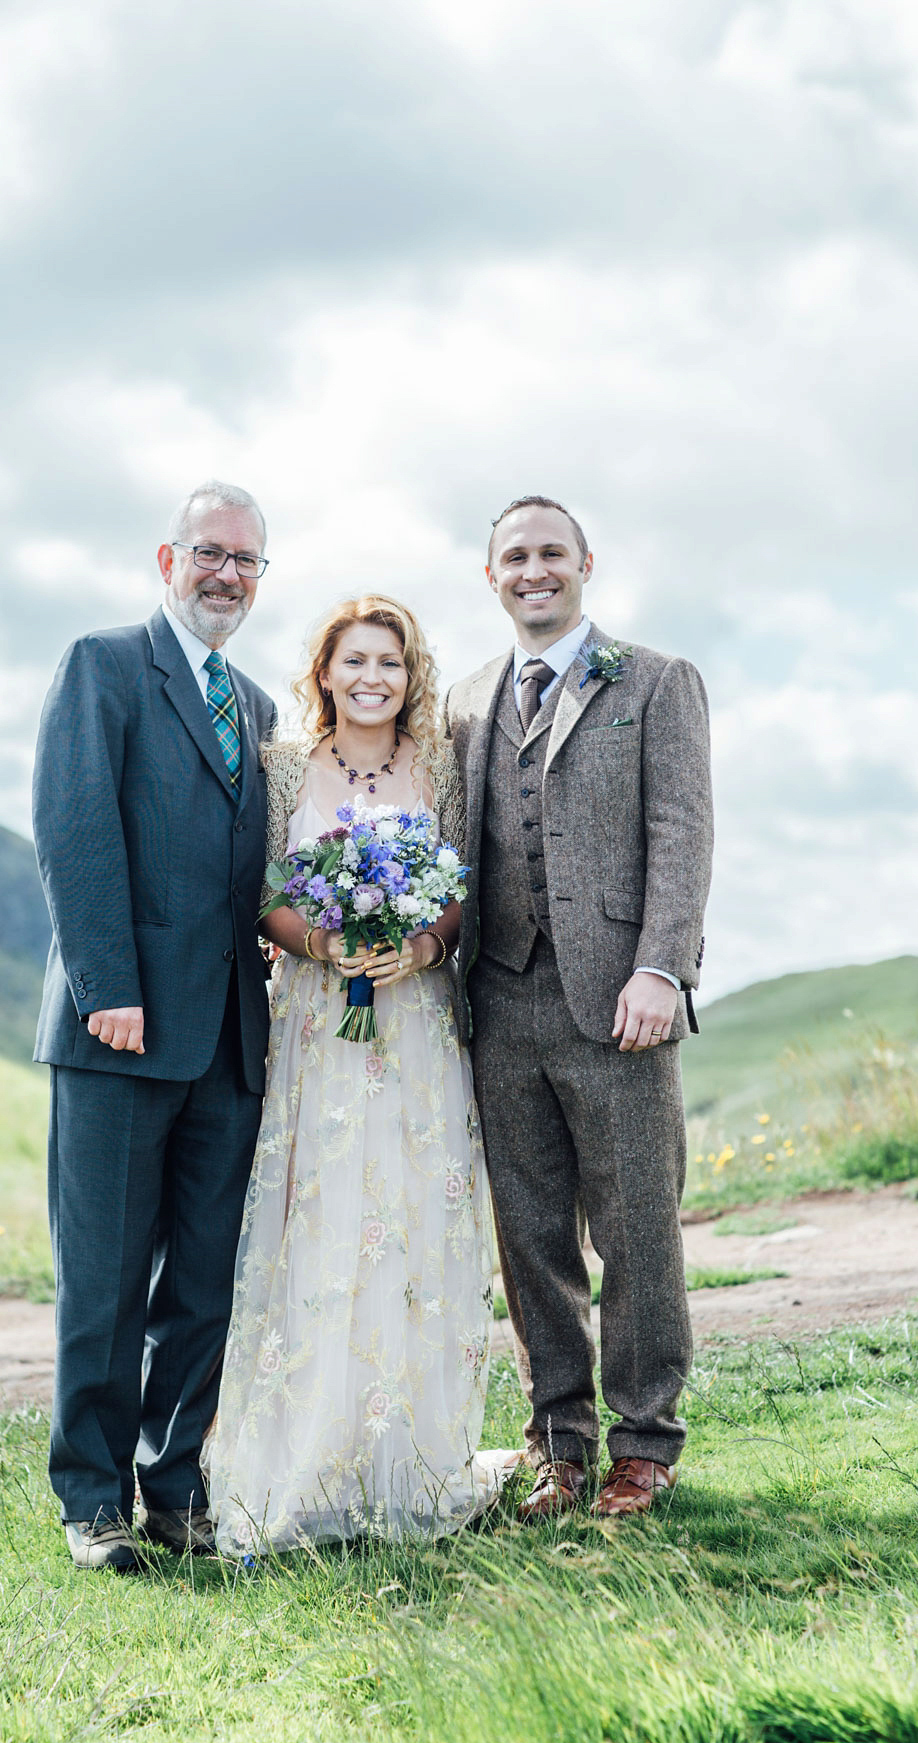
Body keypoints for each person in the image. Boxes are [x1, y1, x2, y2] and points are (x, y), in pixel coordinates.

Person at [204, 595, 514, 1555]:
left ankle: (412, 1460)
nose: (372, 678)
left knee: (411, 1220)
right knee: (322, 1215)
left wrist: (420, 947)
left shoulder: (442, 767)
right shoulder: (284, 764)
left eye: (390, 662)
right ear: (325, 673)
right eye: (354, 662)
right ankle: (309, 1456)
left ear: (409, 674)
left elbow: (462, 886)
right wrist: (326, 942)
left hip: (416, 1029)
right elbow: (262, 896)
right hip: (315, 1028)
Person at [445, 496, 713, 1521]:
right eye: (514, 556)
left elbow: (685, 836)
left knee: (638, 1231)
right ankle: (558, 1442)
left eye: (551, 552)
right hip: (499, 1002)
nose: (534, 570)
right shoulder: (467, 700)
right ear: (492, 576)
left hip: (619, 1004)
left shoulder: (655, 682)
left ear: (586, 563)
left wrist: (663, 968)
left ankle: (645, 1445)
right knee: (531, 1241)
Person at [33, 480, 277, 1570]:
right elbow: (74, 826)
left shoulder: (261, 707)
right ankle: (93, 1501)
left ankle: (174, 1488)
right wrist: (106, 986)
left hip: (229, 1039)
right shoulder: (104, 666)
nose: (228, 573)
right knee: (106, 1277)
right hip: (120, 1030)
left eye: (247, 561)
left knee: (203, 1281)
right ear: (166, 558)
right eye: (210, 552)